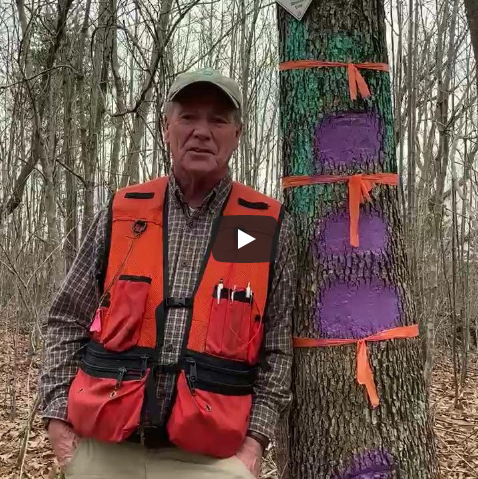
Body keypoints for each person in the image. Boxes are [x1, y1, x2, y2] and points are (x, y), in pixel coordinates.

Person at [39, 68, 297, 479]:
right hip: (105, 452)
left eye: (217, 120)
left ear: (238, 134)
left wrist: (254, 446)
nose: (201, 132)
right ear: (166, 127)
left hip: (210, 461)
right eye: (188, 117)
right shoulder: (124, 211)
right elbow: (67, 316)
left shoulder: (261, 225)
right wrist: (57, 421)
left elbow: (278, 350)